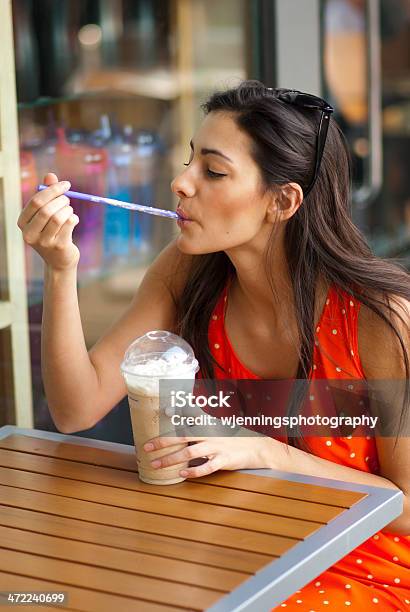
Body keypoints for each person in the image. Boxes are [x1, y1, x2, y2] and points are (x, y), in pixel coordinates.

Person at [17, 80, 409, 609]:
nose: (181, 183)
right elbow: (75, 409)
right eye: (189, 160)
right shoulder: (190, 272)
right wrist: (61, 270)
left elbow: (405, 507)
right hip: (234, 542)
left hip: (363, 567)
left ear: (282, 201)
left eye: (213, 171)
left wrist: (268, 453)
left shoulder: (378, 319)